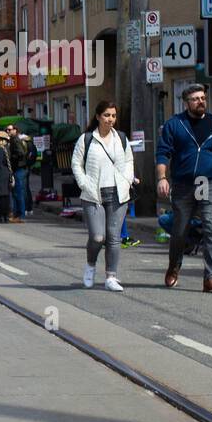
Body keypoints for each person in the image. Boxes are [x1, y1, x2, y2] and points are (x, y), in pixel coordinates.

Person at [156, 83, 212, 293]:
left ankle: (211, 278)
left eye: (203, 98)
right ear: (186, 102)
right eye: (195, 99)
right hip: (184, 185)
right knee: (180, 230)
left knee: (211, 228)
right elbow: (163, 153)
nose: (201, 101)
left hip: (209, 182)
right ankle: (174, 266)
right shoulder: (175, 124)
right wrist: (162, 177)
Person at [71, 101, 134, 292]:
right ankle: (90, 265)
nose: (110, 119)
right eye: (107, 115)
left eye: (113, 115)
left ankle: (111, 277)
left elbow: (129, 160)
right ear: (98, 116)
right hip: (93, 194)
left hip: (117, 193)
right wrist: (84, 184)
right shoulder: (87, 139)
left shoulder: (121, 138)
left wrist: (127, 180)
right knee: (98, 237)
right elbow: (76, 164)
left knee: (114, 238)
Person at [0, 130, 14, 223]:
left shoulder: (0, 150)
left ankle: (2, 215)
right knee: (5, 196)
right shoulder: (6, 149)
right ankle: (5, 215)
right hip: (6, 173)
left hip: (1, 174)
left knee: (1, 196)